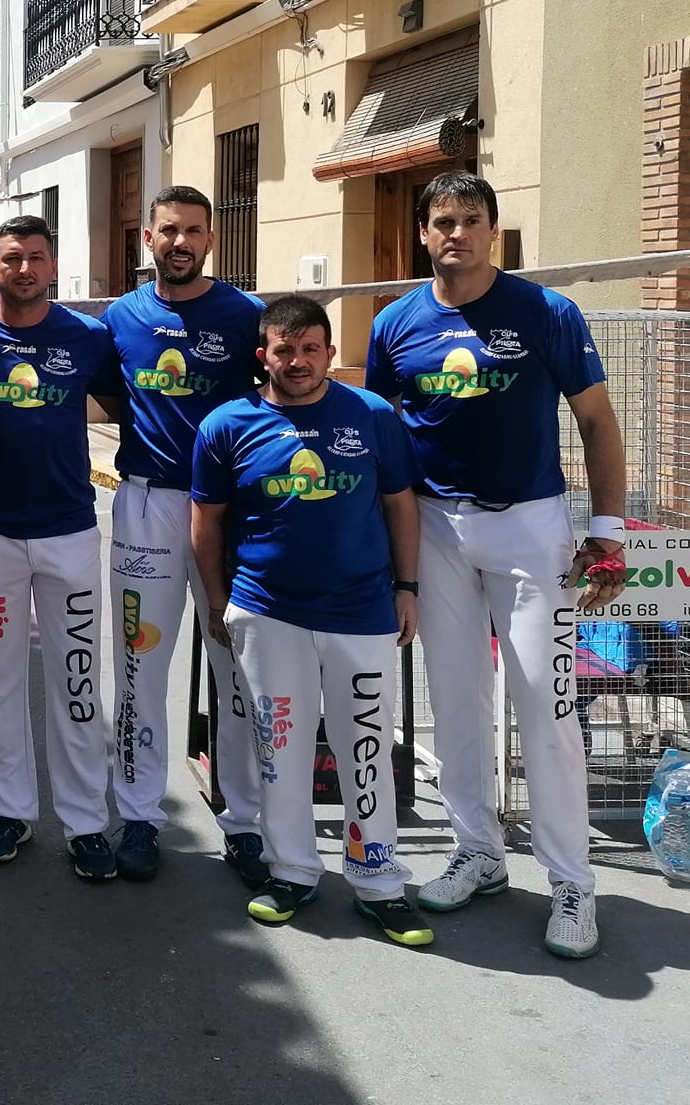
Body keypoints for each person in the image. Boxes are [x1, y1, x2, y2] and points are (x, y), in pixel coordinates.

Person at [364, 171, 627, 960]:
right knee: (455, 702)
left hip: (529, 530)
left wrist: (608, 532)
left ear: (494, 231)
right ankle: (476, 851)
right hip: (436, 531)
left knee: (546, 708)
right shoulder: (394, 324)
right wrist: (385, 551)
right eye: (442, 220)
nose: (457, 234)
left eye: (471, 220)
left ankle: (572, 880)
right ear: (423, 233)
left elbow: (596, 423)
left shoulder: (548, 312)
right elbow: (384, 439)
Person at [192, 295, 432, 946]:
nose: (296, 362)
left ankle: (379, 881)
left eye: (309, 349)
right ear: (262, 354)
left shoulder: (373, 415)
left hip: (363, 614)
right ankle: (292, 872)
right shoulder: (225, 425)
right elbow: (206, 522)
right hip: (268, 616)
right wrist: (218, 600)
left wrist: (408, 588)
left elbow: (401, 505)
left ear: (328, 352)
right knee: (282, 752)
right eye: (283, 350)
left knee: (365, 752)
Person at [98, 187, 268, 887]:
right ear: (148, 238)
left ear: (211, 241)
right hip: (145, 509)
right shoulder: (120, 317)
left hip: (229, 515)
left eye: (193, 231)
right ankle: (139, 816)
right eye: (168, 230)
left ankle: (248, 825)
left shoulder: (245, 315)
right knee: (140, 668)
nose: (180, 242)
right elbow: (113, 394)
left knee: (238, 668)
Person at [0, 216, 121, 879]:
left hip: (70, 531)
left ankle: (84, 822)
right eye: (11, 258)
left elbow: (132, 403)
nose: (24, 269)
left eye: (36, 258)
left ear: (54, 267)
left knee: (77, 684)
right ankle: (10, 812)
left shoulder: (87, 338)